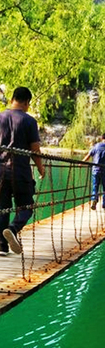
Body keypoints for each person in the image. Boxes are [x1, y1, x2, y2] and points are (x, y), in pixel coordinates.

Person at [0, 87, 45, 255]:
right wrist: (41, 168)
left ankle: (2, 246)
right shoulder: (29, 121)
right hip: (20, 171)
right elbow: (35, 149)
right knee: (27, 206)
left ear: (12, 99)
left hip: (0, 171)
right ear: (27, 102)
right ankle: (13, 228)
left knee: (3, 208)